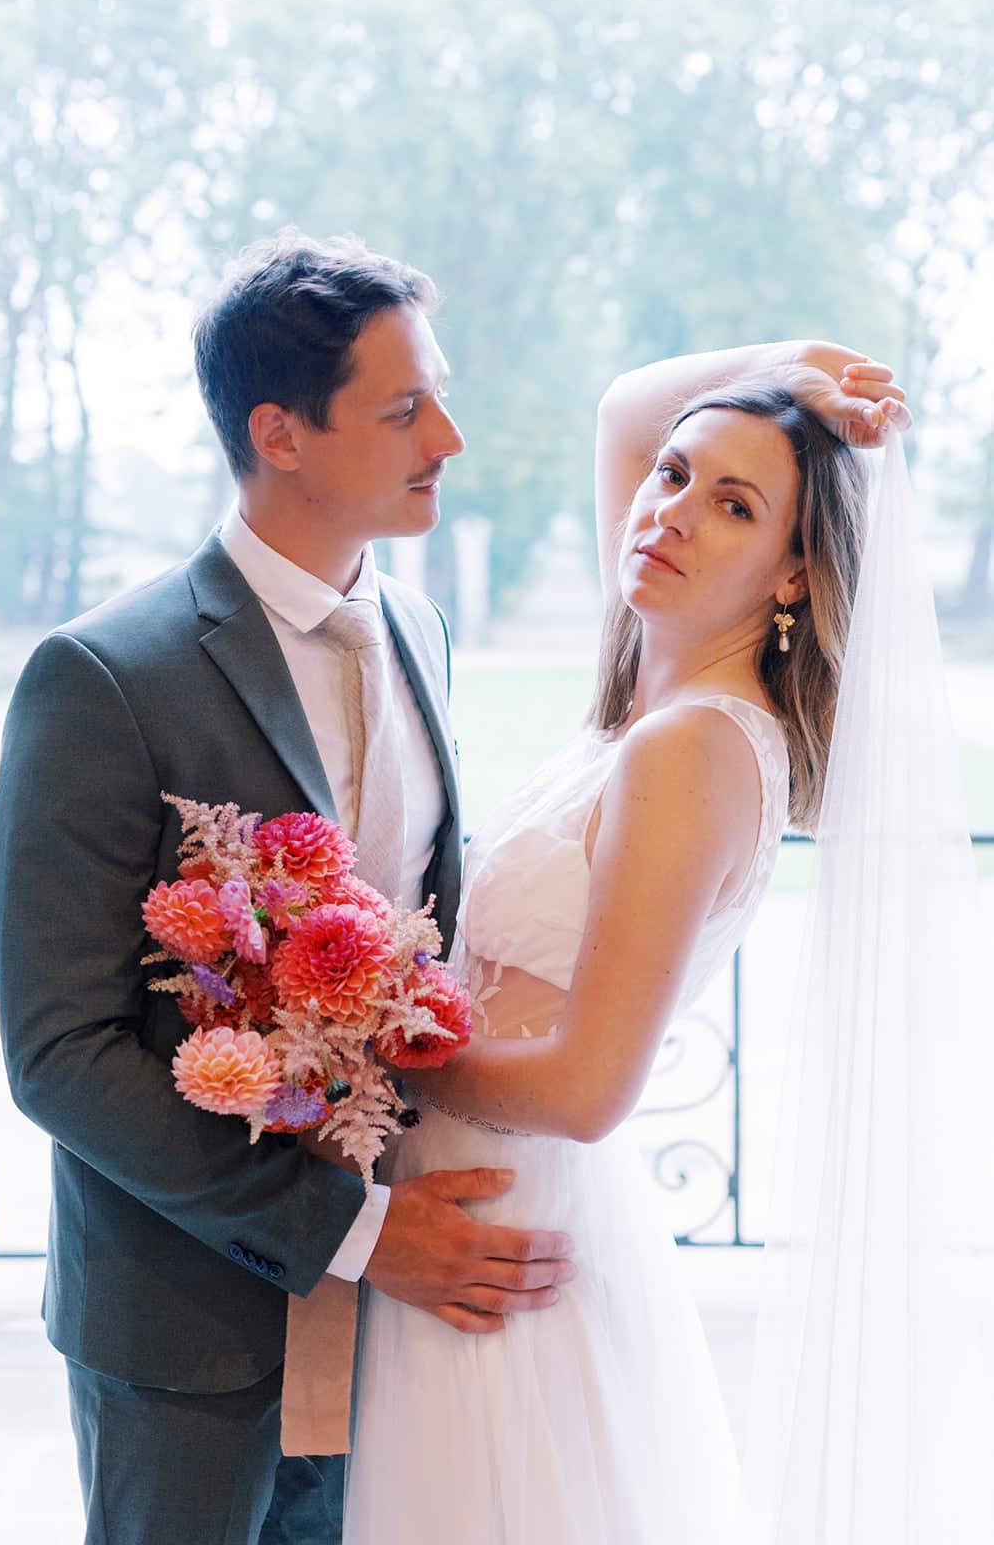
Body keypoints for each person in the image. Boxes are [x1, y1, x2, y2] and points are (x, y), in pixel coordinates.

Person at [0, 231, 576, 1545]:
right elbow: (58, 1053)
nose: (449, 439)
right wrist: (347, 1231)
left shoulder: (418, 628)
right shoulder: (103, 677)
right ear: (280, 433)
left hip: (402, 1314)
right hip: (186, 1322)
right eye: (403, 409)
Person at [341, 342, 910, 1543]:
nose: (670, 514)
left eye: (734, 505)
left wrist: (363, 1043)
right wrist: (792, 367)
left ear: (793, 572)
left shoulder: (688, 745)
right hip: (472, 1206)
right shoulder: (651, 696)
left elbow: (587, 1087)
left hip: (498, 1222)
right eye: (673, 474)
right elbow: (621, 409)